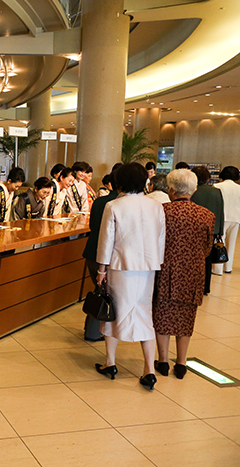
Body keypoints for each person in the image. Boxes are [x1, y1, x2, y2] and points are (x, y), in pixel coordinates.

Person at [95, 163, 165, 391]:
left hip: (120, 266)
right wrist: (157, 262)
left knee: (113, 312)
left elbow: (106, 240)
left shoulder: (113, 205)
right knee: (145, 313)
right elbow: (161, 238)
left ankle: (111, 363)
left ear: (120, 182)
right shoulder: (156, 206)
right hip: (148, 267)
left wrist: (101, 270)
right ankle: (149, 370)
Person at [153, 169, 215, 380]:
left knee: (162, 313)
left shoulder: (162, 212)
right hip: (193, 273)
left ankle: (162, 361)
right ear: (194, 190)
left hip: (165, 271)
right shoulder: (207, 215)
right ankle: (181, 363)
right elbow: (207, 248)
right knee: (186, 316)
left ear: (171, 190)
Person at [81, 165, 120, 341]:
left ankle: (92, 330)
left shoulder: (99, 201)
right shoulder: (118, 205)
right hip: (107, 256)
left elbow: (92, 226)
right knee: (105, 294)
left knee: (99, 291)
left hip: (91, 251)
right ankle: (95, 332)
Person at [190, 166, 224, 295]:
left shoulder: (192, 191)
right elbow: (220, 211)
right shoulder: (216, 192)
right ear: (208, 178)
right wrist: (219, 230)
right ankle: (206, 287)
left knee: (193, 259)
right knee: (207, 260)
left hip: (194, 229)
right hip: (212, 229)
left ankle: (193, 285)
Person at [212, 166, 240, 276]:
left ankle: (217, 268)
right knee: (231, 244)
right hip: (236, 218)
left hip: (222, 217)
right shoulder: (239, 188)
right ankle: (228, 267)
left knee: (219, 242)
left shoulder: (217, 186)